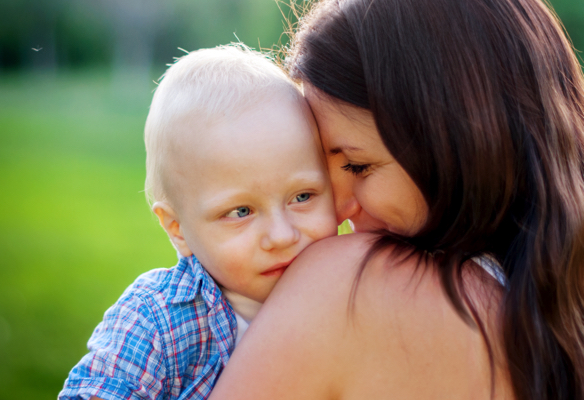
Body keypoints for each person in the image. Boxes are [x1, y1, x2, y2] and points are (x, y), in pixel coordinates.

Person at [208, 0, 584, 399]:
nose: (335, 209)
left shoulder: (352, 286)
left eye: (357, 166)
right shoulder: (556, 315)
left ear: (463, 138)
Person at [57, 44, 338, 400]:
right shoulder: (156, 319)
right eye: (240, 212)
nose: (282, 235)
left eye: (302, 197)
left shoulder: (352, 291)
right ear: (177, 228)